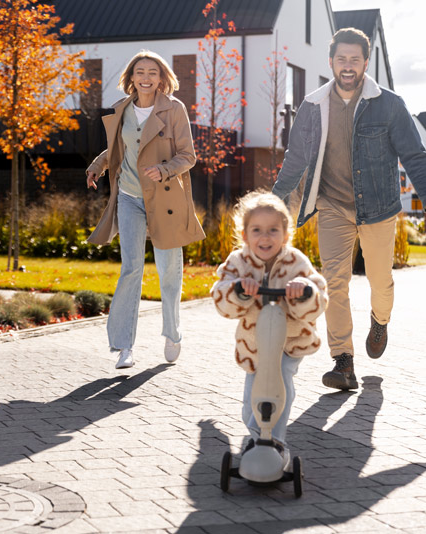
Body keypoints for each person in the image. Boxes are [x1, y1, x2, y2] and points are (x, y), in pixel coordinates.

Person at [272, 28, 426, 390]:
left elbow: (414, 154)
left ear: (366, 63)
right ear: (331, 62)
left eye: (355, 59)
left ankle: (380, 321)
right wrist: (274, 201)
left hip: (379, 208)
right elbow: (296, 158)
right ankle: (343, 361)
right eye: (342, 59)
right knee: (334, 282)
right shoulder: (313, 106)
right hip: (332, 206)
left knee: (380, 281)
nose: (348, 66)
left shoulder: (388, 104)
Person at [86, 50, 205, 370]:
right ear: (132, 77)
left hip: (165, 199)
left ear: (162, 77)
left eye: (152, 72)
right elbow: (119, 149)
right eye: (140, 72)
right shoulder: (123, 108)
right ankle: (124, 346)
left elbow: (188, 156)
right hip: (128, 196)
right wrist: (97, 165)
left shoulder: (174, 109)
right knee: (131, 268)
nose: (146, 77)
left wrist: (165, 170)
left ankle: (173, 333)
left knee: (169, 271)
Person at [211, 191, 328, 459]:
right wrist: (239, 290)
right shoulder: (238, 262)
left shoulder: (296, 261)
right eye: (257, 230)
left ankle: (274, 441)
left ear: (285, 235)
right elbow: (221, 295)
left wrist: (304, 290)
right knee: (251, 401)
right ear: (245, 235)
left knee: (280, 381)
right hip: (254, 343)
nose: (265, 237)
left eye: (273, 230)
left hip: (290, 341)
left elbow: (319, 294)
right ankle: (256, 437)